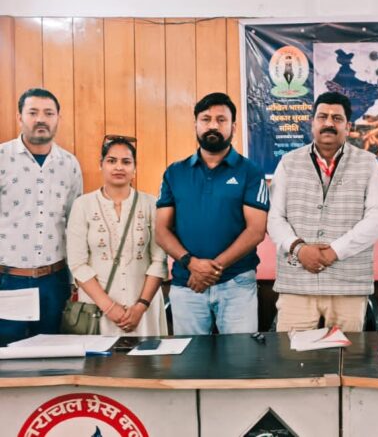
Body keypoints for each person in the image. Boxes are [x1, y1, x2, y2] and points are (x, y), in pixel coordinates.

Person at [268, 91, 378, 332]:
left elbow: (377, 218)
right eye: (322, 117)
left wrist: (335, 251)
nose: (329, 123)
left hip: (348, 283)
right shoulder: (288, 162)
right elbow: (274, 217)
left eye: (337, 118)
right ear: (312, 123)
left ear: (348, 127)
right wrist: (299, 249)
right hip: (297, 282)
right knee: (291, 353)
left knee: (348, 352)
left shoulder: (368, 163)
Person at [155, 92, 269, 335]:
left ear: (233, 127)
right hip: (187, 283)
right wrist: (192, 264)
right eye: (206, 119)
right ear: (196, 125)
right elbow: (161, 231)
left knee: (241, 355)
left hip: (237, 283)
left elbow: (256, 231)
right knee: (191, 357)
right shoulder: (174, 172)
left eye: (221, 119)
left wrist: (210, 270)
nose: (213, 125)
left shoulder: (251, 172)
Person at [0, 88, 83, 341]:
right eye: (33, 112)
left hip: (54, 282)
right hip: (7, 280)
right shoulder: (2, 158)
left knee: (51, 354)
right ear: (20, 117)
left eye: (48, 113)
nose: (41, 119)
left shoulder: (69, 164)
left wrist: (74, 280)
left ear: (58, 118)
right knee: (7, 355)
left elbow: (75, 225)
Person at [66, 136, 167, 336]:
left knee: (146, 357)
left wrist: (140, 306)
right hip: (97, 310)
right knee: (100, 357)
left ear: (135, 168)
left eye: (126, 162)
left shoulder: (151, 204)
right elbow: (78, 264)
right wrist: (110, 308)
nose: (119, 167)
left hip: (144, 310)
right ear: (101, 165)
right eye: (112, 161)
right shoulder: (83, 205)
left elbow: (159, 260)